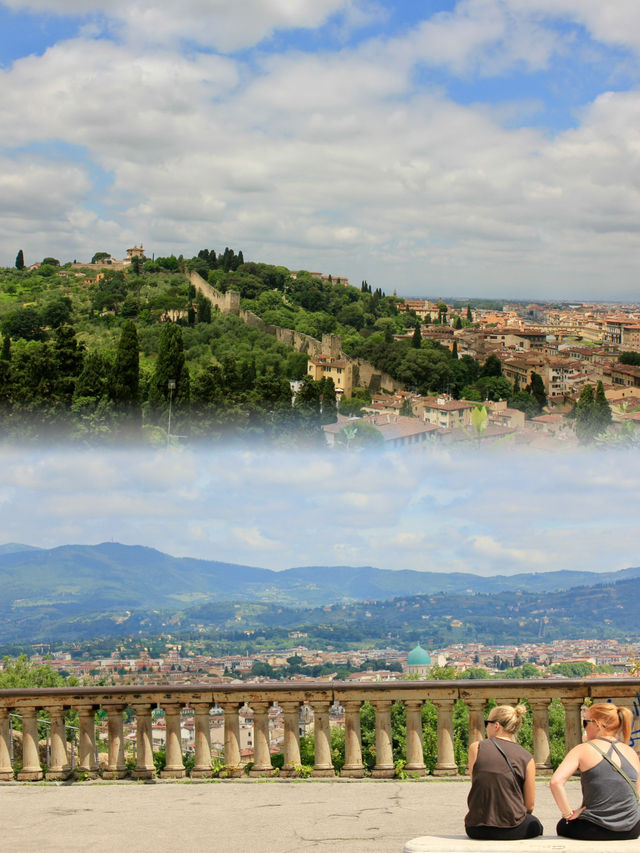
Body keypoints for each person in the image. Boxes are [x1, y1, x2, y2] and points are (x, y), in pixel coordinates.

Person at [550, 702, 640, 841]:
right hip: (632, 828)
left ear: (598, 724)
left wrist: (568, 814)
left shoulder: (583, 749)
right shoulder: (631, 752)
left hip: (595, 828)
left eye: (586, 722)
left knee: (563, 825)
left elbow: (556, 782)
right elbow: (634, 791)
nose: (584, 727)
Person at [465, 704, 544, 840]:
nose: (486, 727)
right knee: (536, 824)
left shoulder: (476, 748)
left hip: (476, 828)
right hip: (513, 828)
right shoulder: (527, 757)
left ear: (496, 726)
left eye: (487, 723)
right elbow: (529, 805)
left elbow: (478, 785)